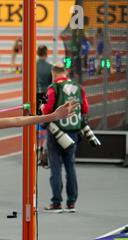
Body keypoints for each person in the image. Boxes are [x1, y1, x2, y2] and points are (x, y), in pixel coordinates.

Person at [41, 63, 89, 213]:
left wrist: (42, 108)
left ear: (53, 73)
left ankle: (56, 202)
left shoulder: (52, 88)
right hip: (73, 131)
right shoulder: (78, 87)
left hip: (56, 132)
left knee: (55, 166)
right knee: (70, 166)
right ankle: (71, 203)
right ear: (66, 72)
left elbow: (47, 109)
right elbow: (85, 108)